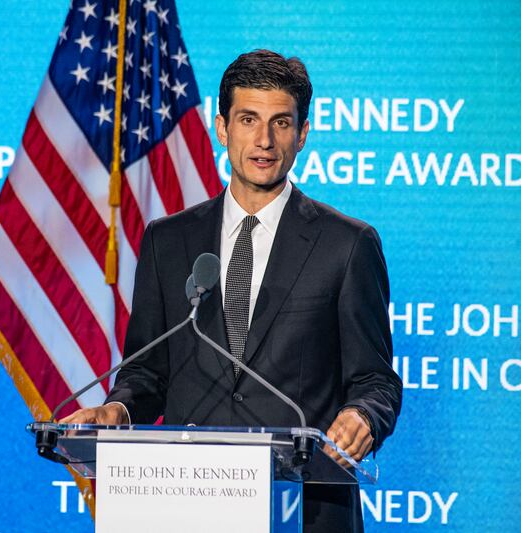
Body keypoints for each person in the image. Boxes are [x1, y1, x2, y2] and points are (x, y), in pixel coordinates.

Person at [62, 49, 402, 532]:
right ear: (221, 128)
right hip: (186, 503)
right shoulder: (168, 241)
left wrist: (362, 415)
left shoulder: (346, 246)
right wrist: (117, 408)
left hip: (305, 509)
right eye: (248, 119)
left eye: (281, 123)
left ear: (302, 135)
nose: (264, 140)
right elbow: (146, 374)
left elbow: (376, 381)